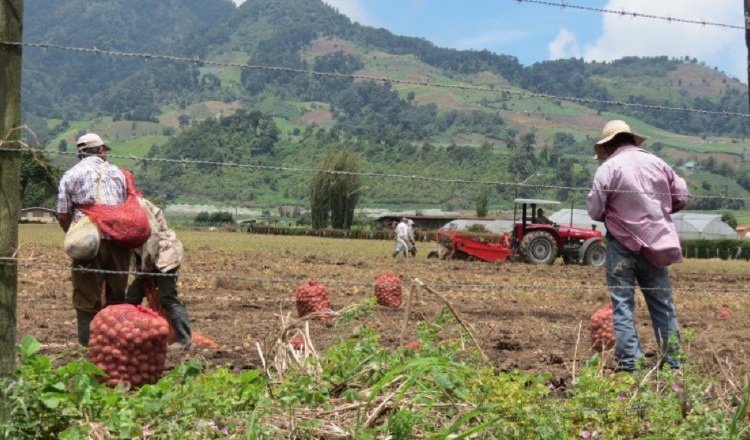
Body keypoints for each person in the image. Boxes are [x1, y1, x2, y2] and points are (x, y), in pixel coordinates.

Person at [586, 120, 689, 373]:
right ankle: (674, 365)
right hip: (657, 246)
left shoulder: (609, 168)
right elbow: (682, 196)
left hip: (622, 244)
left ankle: (631, 364)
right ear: (632, 139)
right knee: (663, 304)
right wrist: (660, 209)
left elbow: (595, 209)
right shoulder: (659, 164)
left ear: (608, 146)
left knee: (622, 303)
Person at [57, 133, 129, 346]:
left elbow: (62, 213)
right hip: (116, 241)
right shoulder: (118, 173)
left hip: (87, 242)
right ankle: (114, 347)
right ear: (101, 150)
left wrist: (75, 233)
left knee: (85, 299)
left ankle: (86, 349)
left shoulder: (71, 174)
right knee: (117, 296)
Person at [126, 197, 193, 350]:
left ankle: (185, 340)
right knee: (132, 298)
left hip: (164, 254)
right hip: (147, 258)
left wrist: (145, 268)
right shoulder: (124, 206)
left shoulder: (139, 205)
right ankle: (127, 335)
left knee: (167, 297)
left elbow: (152, 237)